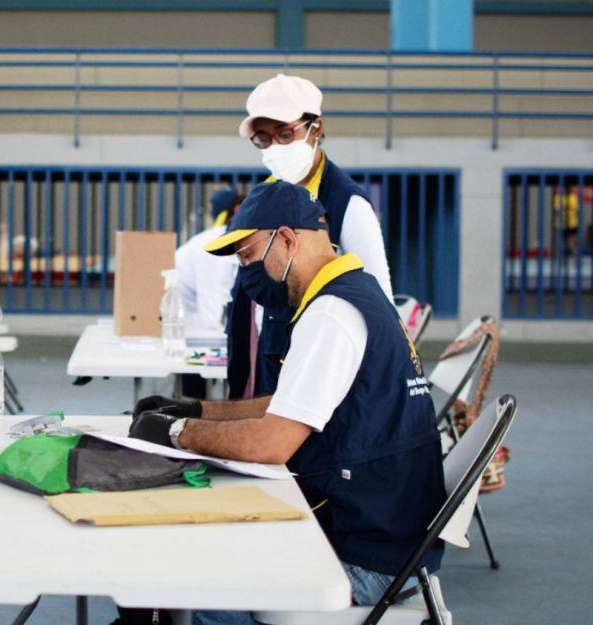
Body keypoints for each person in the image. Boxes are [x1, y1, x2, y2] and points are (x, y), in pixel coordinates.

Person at [129, 182, 445, 624]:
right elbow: (290, 401)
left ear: (288, 239)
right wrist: (194, 410)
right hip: (390, 534)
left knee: (203, 568)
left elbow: (270, 444)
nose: (246, 273)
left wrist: (176, 434)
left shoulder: (332, 313)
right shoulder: (359, 292)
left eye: (247, 256)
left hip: (367, 558)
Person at [226, 74, 393, 401]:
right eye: (263, 139)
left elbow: (380, 303)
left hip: (319, 362)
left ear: (315, 128)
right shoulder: (268, 194)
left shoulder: (348, 205)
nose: (274, 147)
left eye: (285, 134)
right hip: (269, 348)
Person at [175, 187, 243, 332]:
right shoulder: (213, 248)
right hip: (182, 325)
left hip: (190, 320)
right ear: (237, 209)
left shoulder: (226, 240)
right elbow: (209, 316)